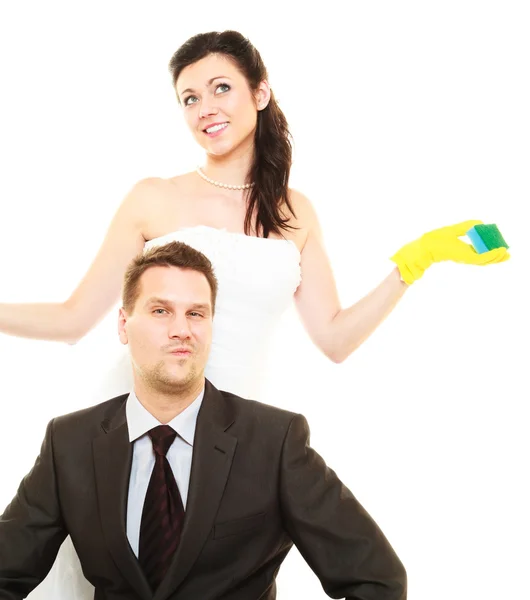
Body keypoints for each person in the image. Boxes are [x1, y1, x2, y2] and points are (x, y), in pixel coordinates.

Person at [0, 30, 508, 600]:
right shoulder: (154, 197)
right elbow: (73, 318)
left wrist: (414, 264)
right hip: (148, 412)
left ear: (260, 93)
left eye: (220, 88)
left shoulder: (295, 212)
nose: (204, 108)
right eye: (188, 98)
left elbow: (335, 338)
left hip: (241, 438)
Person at [0, 241, 407, 600]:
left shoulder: (274, 442)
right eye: (161, 310)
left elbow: (377, 581)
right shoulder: (68, 442)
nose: (182, 330)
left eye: (196, 313)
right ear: (124, 325)